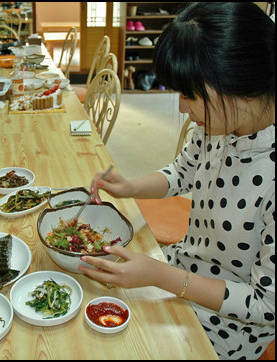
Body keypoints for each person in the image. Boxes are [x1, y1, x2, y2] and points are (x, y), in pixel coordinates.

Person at [80, 3, 274, 360]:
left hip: (229, 322)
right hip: (180, 267)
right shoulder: (221, 124)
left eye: (189, 95)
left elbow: (265, 305)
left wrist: (159, 276)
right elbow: (182, 172)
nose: (182, 109)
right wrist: (131, 187)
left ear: (238, 85)